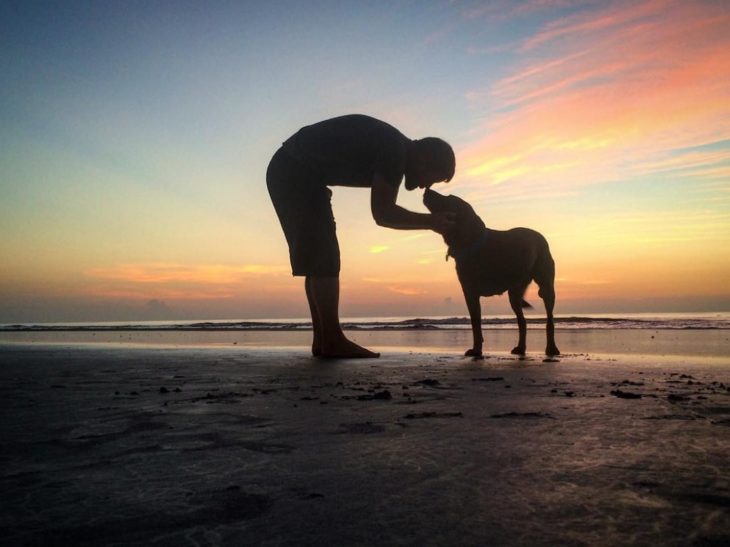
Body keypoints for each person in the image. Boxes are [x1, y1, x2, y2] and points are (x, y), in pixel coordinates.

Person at [266, 114, 456, 358]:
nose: (425, 186)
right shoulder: (396, 152)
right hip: (294, 171)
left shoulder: (395, 146)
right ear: (425, 159)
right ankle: (332, 340)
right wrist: (431, 221)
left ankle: (323, 340)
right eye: (432, 178)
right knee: (324, 257)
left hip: (293, 170)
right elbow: (383, 213)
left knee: (318, 257)